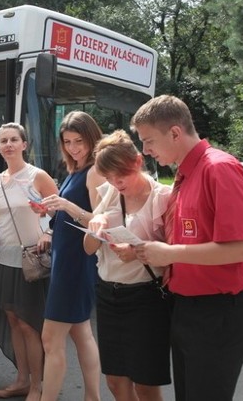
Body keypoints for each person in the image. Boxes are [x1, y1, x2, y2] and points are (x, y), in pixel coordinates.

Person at [130, 95, 243, 401]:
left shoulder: (218, 168)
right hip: (189, 311)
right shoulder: (186, 173)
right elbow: (190, 239)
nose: (145, 150)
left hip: (216, 316)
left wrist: (170, 254)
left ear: (175, 133)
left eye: (148, 141)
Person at [84, 130, 172, 401]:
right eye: (108, 177)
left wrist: (136, 252)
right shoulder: (109, 192)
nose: (115, 182)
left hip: (145, 296)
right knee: (115, 380)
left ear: (136, 161)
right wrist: (94, 230)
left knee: (145, 384)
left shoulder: (163, 197)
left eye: (119, 175)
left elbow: (173, 255)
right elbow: (88, 249)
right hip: (109, 293)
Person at [0, 122, 58, 401]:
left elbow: (61, 212)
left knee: (28, 323)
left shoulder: (38, 176)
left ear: (24, 144)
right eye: (3, 141)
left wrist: (48, 231)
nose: (8, 145)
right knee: (12, 320)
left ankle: (38, 385)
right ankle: (22, 380)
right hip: (4, 259)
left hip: (30, 259)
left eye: (14, 140)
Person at [37, 111, 103, 401]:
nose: (74, 147)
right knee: (81, 333)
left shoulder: (95, 169)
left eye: (79, 141)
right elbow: (69, 215)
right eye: (67, 141)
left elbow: (101, 222)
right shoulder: (75, 169)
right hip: (67, 258)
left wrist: (67, 206)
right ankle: (93, 397)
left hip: (77, 261)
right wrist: (51, 213)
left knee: (51, 340)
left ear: (92, 138)